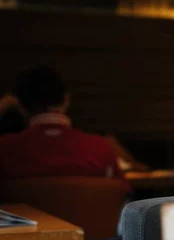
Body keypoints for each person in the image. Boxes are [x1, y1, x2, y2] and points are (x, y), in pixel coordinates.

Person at [0, 65, 129, 187]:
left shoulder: (5, 149)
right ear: (66, 100)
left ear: (20, 106)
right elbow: (125, 197)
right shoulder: (101, 149)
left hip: (19, 212)